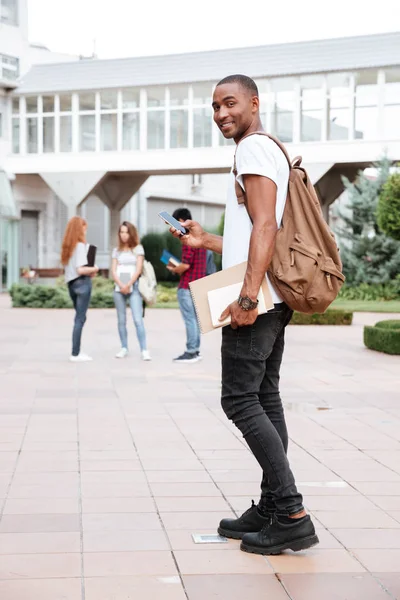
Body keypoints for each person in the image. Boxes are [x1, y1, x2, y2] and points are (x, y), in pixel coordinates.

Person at [169, 75, 319, 555]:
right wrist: (204, 241)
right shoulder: (268, 148)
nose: (220, 113)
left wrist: (248, 298)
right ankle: (274, 504)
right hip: (271, 295)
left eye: (229, 103)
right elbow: (255, 230)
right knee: (265, 397)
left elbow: (265, 226)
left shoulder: (253, 149)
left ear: (254, 103)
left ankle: (291, 511)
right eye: (214, 106)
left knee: (238, 400)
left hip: (256, 298)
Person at [167, 208, 207, 363]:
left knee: (190, 320)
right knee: (195, 320)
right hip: (198, 284)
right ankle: (195, 351)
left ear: (182, 220)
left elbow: (185, 265)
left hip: (187, 285)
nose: (173, 228)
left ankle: (191, 351)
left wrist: (174, 269)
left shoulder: (187, 239)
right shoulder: (201, 238)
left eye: (174, 223)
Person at [111, 221, 151, 361]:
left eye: (126, 232)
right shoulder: (116, 251)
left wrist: (128, 284)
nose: (123, 235)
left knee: (137, 319)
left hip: (133, 288)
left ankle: (144, 349)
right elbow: (113, 270)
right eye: (121, 232)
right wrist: (121, 285)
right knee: (121, 320)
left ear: (131, 233)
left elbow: (139, 269)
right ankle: (124, 347)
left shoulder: (138, 249)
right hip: (118, 289)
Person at [61, 216, 98, 362]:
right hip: (82, 283)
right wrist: (94, 268)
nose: (85, 231)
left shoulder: (67, 248)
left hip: (71, 284)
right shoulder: (81, 246)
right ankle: (75, 353)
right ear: (79, 229)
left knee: (79, 318)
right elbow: (81, 270)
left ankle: (76, 350)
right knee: (80, 319)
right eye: (84, 228)